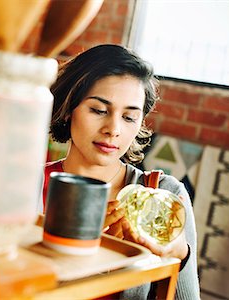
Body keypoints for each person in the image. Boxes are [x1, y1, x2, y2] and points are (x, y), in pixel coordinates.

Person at [41, 44, 200, 299]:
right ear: (69, 108)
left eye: (129, 117)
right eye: (99, 110)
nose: (113, 129)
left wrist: (179, 255)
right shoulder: (29, 186)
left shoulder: (164, 195)